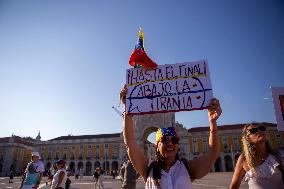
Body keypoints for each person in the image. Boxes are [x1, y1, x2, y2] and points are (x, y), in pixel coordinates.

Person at [120, 85, 222, 189]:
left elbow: (213, 153)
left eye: (174, 140)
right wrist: (127, 108)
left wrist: (213, 122)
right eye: (164, 140)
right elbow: (130, 143)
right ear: (157, 145)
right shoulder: (147, 168)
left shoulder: (188, 169)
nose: (170, 143)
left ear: (178, 144)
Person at [229, 123, 284, 189]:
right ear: (247, 139)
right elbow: (234, 186)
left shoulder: (277, 155)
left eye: (262, 129)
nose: (259, 131)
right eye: (253, 130)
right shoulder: (244, 159)